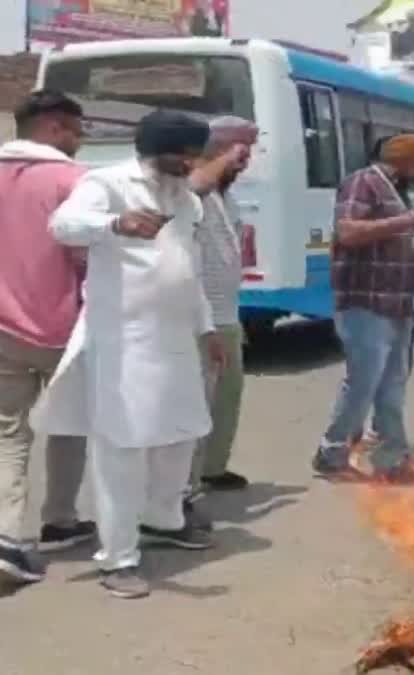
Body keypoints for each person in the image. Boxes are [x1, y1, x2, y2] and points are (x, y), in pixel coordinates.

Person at [33, 110, 227, 599]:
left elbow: (188, 267)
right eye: (183, 154)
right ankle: (117, 557)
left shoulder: (183, 198)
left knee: (180, 433)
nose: (190, 163)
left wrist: (207, 328)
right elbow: (64, 225)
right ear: (157, 148)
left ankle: (163, 519)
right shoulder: (108, 182)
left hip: (177, 338)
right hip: (125, 343)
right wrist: (115, 223)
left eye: (194, 155)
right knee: (122, 445)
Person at [0, 90, 93, 585]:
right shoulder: (74, 180)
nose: (81, 141)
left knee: (7, 434)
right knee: (68, 424)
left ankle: (6, 539)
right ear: (56, 128)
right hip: (62, 330)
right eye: (78, 131)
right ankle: (61, 519)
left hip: (1, 331)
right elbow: (85, 257)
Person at [312, 134, 414, 480]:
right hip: (365, 302)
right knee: (364, 382)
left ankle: (391, 456)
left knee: (393, 383)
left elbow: (385, 240)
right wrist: (407, 221)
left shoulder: (396, 189)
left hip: (398, 302)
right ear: (405, 159)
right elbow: (348, 232)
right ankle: (332, 451)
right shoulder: (362, 183)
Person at [188, 116, 258, 499]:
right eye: (238, 156)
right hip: (204, 318)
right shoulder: (192, 188)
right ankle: (185, 485)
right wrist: (223, 157)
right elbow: (195, 185)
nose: (242, 165)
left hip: (228, 313)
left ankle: (213, 468)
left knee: (227, 397)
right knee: (199, 403)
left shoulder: (224, 195)